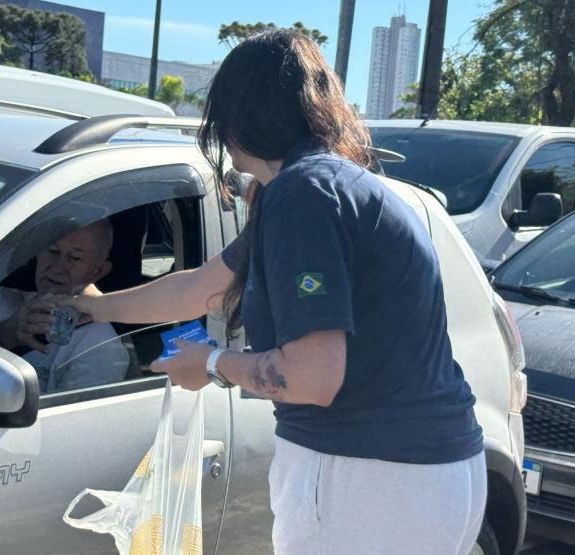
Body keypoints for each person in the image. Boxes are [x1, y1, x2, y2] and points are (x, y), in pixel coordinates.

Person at [60, 31, 485, 555]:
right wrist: (94, 305)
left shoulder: (301, 195)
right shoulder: (331, 185)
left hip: (367, 476)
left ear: (239, 116)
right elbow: (200, 288)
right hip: (427, 473)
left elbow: (312, 378)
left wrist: (212, 364)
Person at [0, 220, 129, 393]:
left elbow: (74, 417)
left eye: (75, 258)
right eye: (52, 250)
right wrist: (6, 333)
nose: (57, 267)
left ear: (97, 271)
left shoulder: (99, 343)